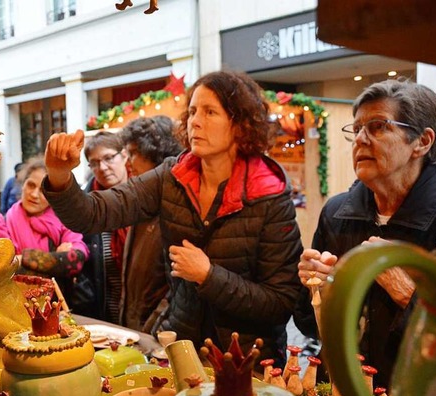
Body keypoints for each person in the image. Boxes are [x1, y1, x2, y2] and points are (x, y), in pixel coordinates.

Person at [42, 70, 303, 366]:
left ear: (240, 124)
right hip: (184, 350)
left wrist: (209, 275)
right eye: (192, 111)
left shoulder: (269, 194)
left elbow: (280, 303)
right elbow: (93, 214)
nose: (195, 121)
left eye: (210, 112)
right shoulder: (172, 176)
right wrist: (59, 175)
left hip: (250, 362)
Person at [294, 78, 436, 389]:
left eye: (378, 127)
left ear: (422, 141)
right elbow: (308, 324)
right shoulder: (337, 213)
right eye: (357, 129)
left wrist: (410, 295)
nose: (360, 139)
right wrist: (316, 290)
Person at [0, 155, 89, 288]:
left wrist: (22, 259)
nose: (34, 194)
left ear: (53, 195)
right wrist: (57, 259)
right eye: (31, 185)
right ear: (22, 185)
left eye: (43, 191)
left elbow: (76, 261)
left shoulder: (65, 223)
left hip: (57, 306)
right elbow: (0, 272)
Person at [118, 115, 183, 331]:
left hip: (158, 336)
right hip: (136, 331)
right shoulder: (143, 205)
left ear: (156, 155)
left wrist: (153, 329)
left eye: (134, 153)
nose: (128, 163)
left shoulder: (175, 209)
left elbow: (177, 288)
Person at [72, 131, 131, 323]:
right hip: (102, 306)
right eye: (95, 162)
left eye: (108, 158)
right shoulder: (87, 206)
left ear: (124, 155)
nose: (103, 167)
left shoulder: (144, 198)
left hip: (141, 304)